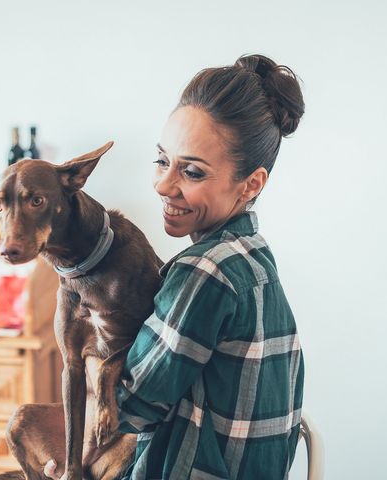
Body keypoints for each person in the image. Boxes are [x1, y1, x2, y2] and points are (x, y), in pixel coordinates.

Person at [115, 53, 305, 480]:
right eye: (162, 160)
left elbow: (128, 409)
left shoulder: (207, 271)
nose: (164, 185)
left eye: (193, 172)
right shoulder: (255, 258)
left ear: (251, 184)